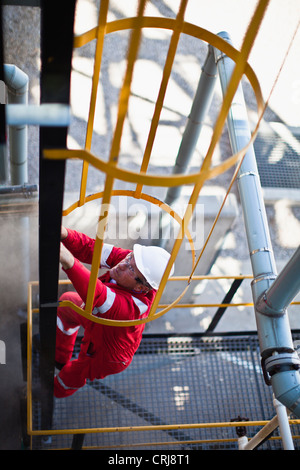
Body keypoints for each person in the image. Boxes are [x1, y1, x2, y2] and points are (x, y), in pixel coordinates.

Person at [54, 226, 174, 398]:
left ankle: (52, 391)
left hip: (107, 354)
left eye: (131, 269)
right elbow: (92, 249)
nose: (123, 264)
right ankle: (60, 357)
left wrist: (68, 261)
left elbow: (98, 294)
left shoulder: (131, 308)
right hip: (100, 322)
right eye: (129, 257)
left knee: (73, 374)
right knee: (67, 303)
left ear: (141, 286)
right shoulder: (133, 264)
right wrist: (65, 234)